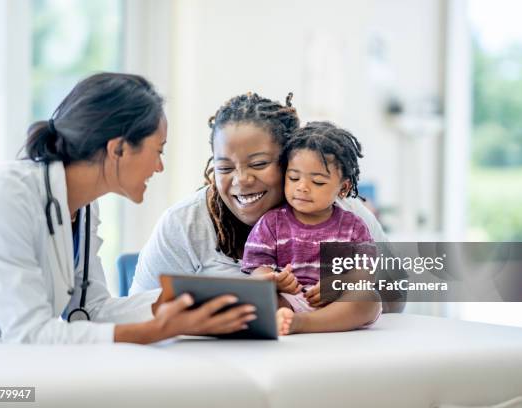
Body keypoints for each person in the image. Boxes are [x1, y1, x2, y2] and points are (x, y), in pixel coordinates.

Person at [0, 73, 256, 344]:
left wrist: (201, 298)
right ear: (118, 149)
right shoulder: (4, 195)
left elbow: (91, 310)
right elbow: (29, 333)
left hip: (17, 365)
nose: (159, 166)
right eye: (159, 150)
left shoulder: (85, 208)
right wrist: (156, 331)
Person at [131, 92, 404, 314]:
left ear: (290, 160)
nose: (241, 179)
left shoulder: (341, 212)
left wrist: (348, 285)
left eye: (259, 164)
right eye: (224, 168)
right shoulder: (184, 224)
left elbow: (396, 295)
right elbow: (142, 312)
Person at [242, 121, 382, 335]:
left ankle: (303, 323)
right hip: (288, 300)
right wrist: (275, 279)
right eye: (294, 177)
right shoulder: (272, 223)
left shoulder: (352, 227)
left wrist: (337, 284)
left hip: (337, 304)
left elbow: (365, 273)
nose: (302, 187)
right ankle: (289, 319)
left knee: (369, 298)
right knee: (258, 295)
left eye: (317, 182)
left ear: (343, 188)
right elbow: (256, 268)